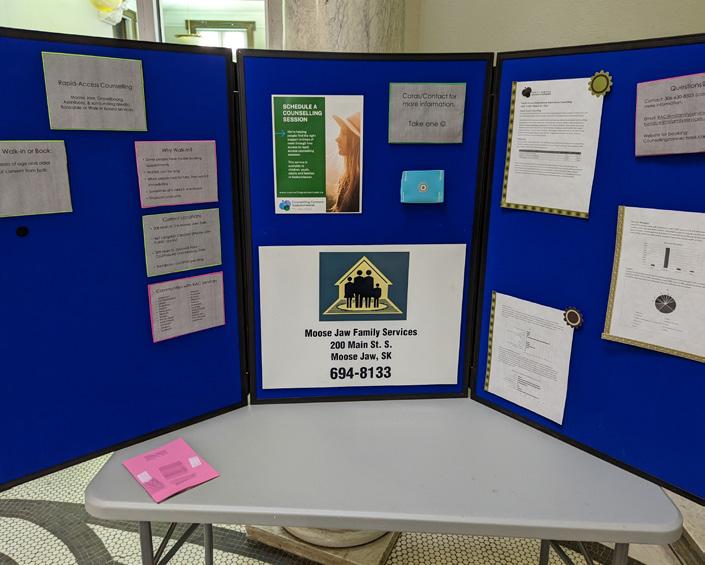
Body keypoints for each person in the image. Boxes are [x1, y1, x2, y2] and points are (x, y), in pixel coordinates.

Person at [329, 112, 361, 213]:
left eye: (343, 133)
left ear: (355, 140)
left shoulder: (360, 182)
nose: (337, 139)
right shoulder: (345, 179)